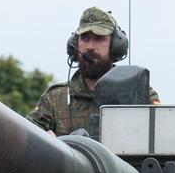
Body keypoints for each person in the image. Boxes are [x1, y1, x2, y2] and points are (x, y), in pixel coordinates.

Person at [28, 7, 158, 136]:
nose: (90, 46)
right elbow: (26, 139)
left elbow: (161, 136)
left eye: (99, 38)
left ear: (116, 46)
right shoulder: (55, 98)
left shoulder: (138, 94)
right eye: (85, 38)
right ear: (75, 44)